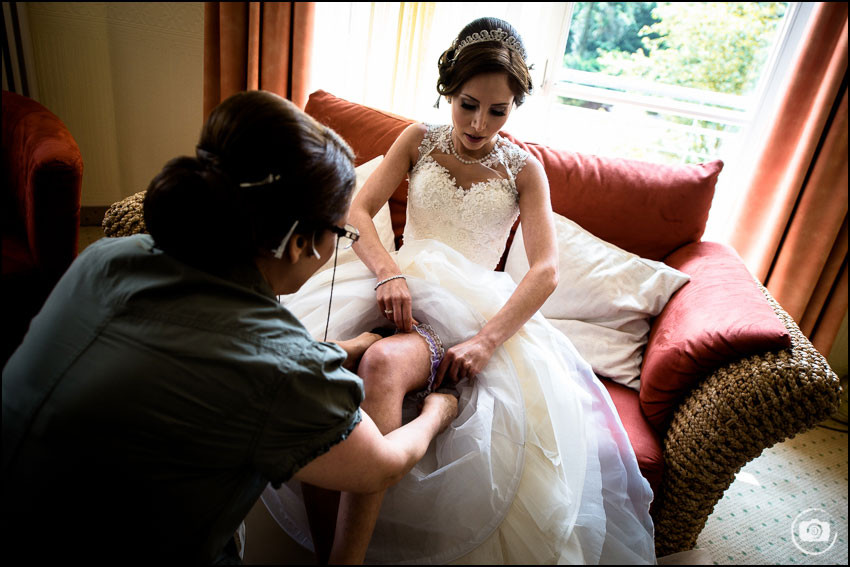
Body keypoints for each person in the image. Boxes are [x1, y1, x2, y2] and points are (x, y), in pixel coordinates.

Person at [262, 16, 658, 565]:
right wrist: (387, 271)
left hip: (464, 311)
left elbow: (545, 271)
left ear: (516, 106)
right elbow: (356, 209)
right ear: (449, 88)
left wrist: (486, 341)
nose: (478, 123)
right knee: (315, 372)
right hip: (392, 288)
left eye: (498, 110)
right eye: (468, 103)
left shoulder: (525, 170)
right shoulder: (418, 140)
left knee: (377, 365)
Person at [1, 90, 458, 564]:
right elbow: (378, 468)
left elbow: (196, 352)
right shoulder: (276, 365)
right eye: (339, 234)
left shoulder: (106, 255)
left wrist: (345, 347)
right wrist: (436, 413)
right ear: (298, 242)